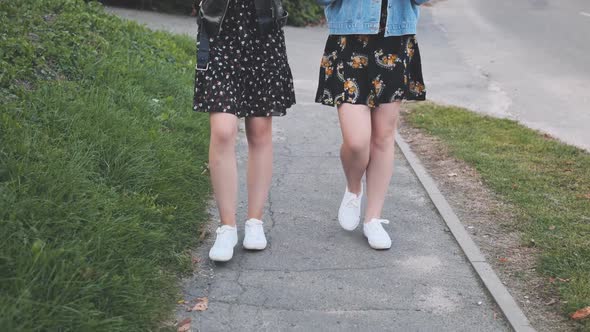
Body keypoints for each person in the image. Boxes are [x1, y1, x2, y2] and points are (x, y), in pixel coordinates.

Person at [315, 0, 428, 249]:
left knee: (384, 136)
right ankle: (353, 189)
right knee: (356, 141)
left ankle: (373, 219)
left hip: (395, 39)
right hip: (348, 40)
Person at [194, 0, 295, 262]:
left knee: (260, 131)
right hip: (220, 31)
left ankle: (255, 221)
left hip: (263, 32)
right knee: (223, 130)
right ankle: (227, 227)